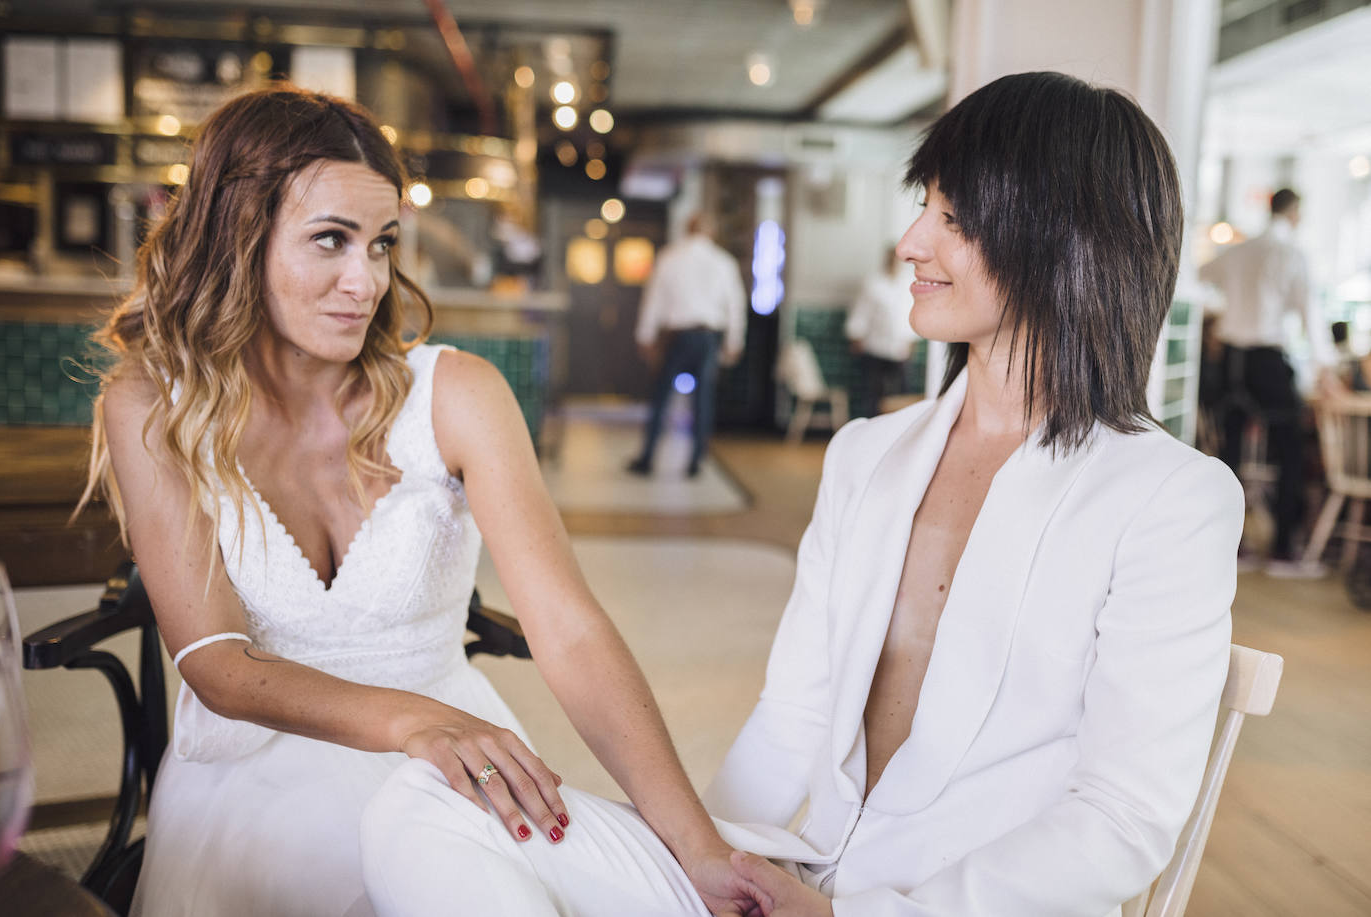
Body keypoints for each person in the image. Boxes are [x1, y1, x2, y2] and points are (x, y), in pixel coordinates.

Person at [360, 71, 1243, 917]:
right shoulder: (867, 454)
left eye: (952, 217)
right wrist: (701, 862)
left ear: (1061, 239)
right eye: (922, 207)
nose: (911, 243)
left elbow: (1123, 819)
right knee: (426, 800)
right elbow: (793, 717)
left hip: (936, 904)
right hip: (801, 870)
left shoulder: (1169, 498)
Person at [78, 86, 755, 917]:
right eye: (330, 240)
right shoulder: (152, 404)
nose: (363, 282)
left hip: (450, 759)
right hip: (254, 776)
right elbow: (218, 664)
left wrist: (698, 846)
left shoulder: (457, 392)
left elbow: (570, 630)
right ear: (236, 236)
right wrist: (413, 721)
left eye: (381, 244)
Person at [1200, 188, 1330, 576]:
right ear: (1293, 212)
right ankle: (1282, 550)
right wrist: (1324, 366)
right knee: (1290, 450)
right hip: (1267, 360)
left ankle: (1229, 547)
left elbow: (1201, 277)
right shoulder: (1290, 253)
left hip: (1230, 360)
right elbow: (1310, 311)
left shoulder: (1239, 250)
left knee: (1230, 455)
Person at [627, 214, 747, 478]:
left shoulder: (670, 257)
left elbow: (654, 300)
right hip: (707, 337)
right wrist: (734, 341)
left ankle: (647, 457)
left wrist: (645, 335)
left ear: (686, 229)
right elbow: (735, 305)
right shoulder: (723, 262)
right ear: (712, 232)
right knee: (702, 400)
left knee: (661, 399)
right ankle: (695, 462)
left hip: (676, 337)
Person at [844, 246, 918, 417]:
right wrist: (856, 336)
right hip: (875, 347)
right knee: (873, 393)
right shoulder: (873, 283)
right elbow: (861, 312)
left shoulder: (908, 283)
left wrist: (912, 340)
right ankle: (872, 425)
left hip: (901, 348)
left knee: (902, 392)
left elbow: (910, 313)